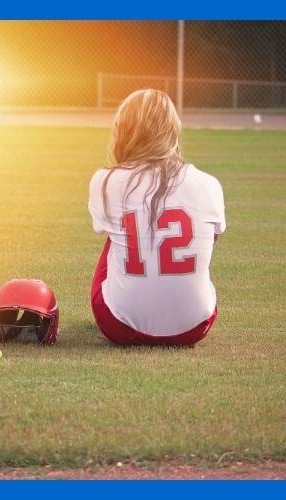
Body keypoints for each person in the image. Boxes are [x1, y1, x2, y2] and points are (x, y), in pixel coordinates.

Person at [88, 89, 226, 346]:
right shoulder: (209, 183)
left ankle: (135, 301)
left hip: (118, 326)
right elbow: (211, 239)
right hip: (194, 327)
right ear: (173, 130)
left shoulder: (105, 181)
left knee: (116, 236)